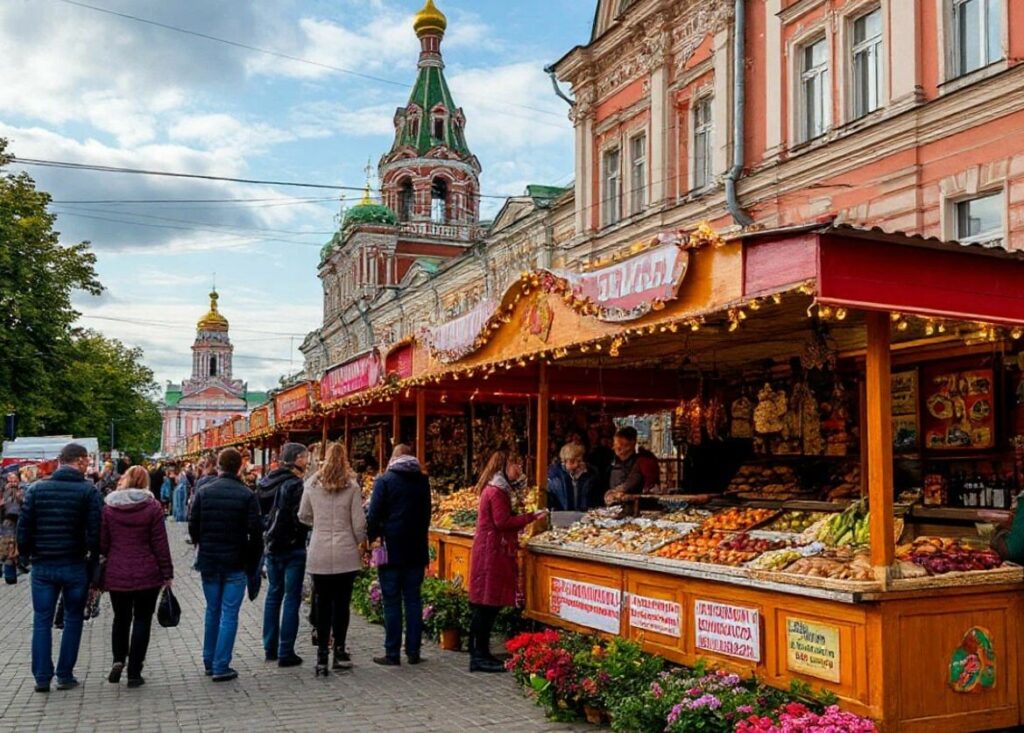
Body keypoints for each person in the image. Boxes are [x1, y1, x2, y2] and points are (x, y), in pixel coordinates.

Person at [16, 442, 102, 692]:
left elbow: (24, 527)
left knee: (42, 620)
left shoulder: (36, 489)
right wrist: (94, 561)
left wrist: (26, 555)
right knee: (73, 618)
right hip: (75, 564)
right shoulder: (89, 491)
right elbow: (95, 532)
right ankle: (65, 674)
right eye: (86, 461)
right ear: (80, 461)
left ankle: (42, 677)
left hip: (43, 565)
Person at [467, 451, 547, 673]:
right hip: (492, 553)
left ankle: (479, 653)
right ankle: (478, 655)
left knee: (486, 604)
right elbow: (502, 521)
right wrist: (532, 516)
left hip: (491, 550)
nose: (519, 469)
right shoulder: (497, 491)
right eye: (516, 464)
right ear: (504, 466)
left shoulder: (496, 489)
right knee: (487, 605)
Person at [188, 448, 261, 682]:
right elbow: (256, 532)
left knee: (212, 610)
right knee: (229, 613)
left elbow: (193, 525)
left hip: (209, 560)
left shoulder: (204, 491)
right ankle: (221, 665)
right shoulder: (246, 494)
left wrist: (203, 542)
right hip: (235, 560)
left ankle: (209, 660)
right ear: (239, 466)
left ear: (218, 465)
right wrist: (252, 561)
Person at [100, 465, 173, 688]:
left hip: (117, 571)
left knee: (121, 618)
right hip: (147, 572)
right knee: (142, 619)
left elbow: (103, 542)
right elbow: (160, 543)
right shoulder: (152, 507)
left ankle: (118, 659)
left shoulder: (109, 508)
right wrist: (167, 572)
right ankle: (134, 671)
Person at [299, 443, 366, 676]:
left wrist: (316, 524)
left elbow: (303, 515)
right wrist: (361, 543)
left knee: (322, 602)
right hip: (345, 551)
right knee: (341, 604)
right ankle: (339, 650)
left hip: (319, 551)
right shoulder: (352, 487)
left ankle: (321, 657)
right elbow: (359, 524)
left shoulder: (312, 485)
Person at [366, 444, 431, 667]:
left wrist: (373, 537)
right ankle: (413, 650)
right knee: (413, 600)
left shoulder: (384, 481)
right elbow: (427, 516)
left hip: (390, 549)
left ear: (393, 458)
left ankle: (392, 652)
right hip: (416, 550)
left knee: (391, 601)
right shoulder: (423, 481)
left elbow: (373, 515)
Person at [258, 442, 310, 668]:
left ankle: (270, 647)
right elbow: (300, 516)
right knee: (291, 598)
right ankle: (286, 650)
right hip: (292, 546)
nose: (307, 462)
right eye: (305, 457)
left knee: (273, 594)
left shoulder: (265, 482)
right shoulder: (295, 485)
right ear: (296, 459)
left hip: (271, 545)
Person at [603, 426, 660, 505]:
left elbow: (631, 483)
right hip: (613, 505)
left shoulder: (642, 461)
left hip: (636, 505)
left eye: (621, 445)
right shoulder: (611, 460)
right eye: (615, 444)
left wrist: (615, 493)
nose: (616, 447)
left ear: (632, 444)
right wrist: (609, 494)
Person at [547, 443, 602, 512]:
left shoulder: (591, 474)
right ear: (564, 462)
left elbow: (596, 499)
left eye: (579, 461)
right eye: (572, 461)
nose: (576, 465)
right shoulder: (555, 477)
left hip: (585, 516)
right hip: (562, 516)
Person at [1, 471, 24, 584]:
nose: (13, 483)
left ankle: (13, 573)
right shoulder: (4, 492)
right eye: (10, 481)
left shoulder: (22, 491)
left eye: (15, 481)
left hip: (18, 523)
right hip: (7, 524)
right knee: (9, 549)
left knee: (15, 548)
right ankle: (10, 577)